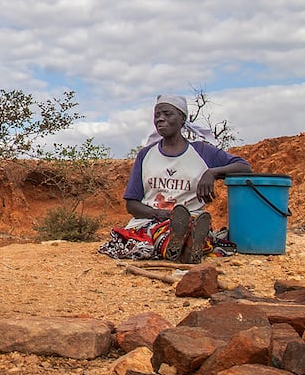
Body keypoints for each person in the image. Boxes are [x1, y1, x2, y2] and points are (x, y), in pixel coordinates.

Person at [101, 94, 251, 263]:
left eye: (167, 114)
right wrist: (158, 213)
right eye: (157, 115)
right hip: (152, 221)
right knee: (156, 234)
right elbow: (131, 204)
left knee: (192, 227)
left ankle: (186, 244)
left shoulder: (202, 152)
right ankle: (186, 247)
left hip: (192, 218)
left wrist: (212, 173)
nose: (160, 119)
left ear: (182, 118)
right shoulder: (146, 155)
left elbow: (244, 167)